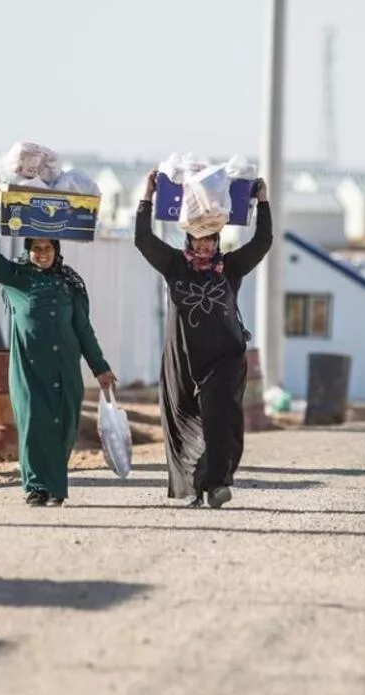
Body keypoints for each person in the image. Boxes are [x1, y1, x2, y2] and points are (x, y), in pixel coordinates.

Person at [135, 170, 273, 509]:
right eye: (197, 239)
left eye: (209, 238)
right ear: (188, 239)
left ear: (217, 238)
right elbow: (142, 240)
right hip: (183, 360)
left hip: (224, 360)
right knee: (183, 421)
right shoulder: (173, 266)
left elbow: (262, 242)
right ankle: (193, 489)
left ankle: (217, 484)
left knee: (219, 417)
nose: (203, 245)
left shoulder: (231, 267)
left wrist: (264, 201)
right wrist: (146, 196)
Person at [0, 190, 116, 507]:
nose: (42, 253)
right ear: (29, 249)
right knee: (34, 425)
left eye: (47, 247)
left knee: (63, 428)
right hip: (29, 370)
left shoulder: (70, 283)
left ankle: (53, 486)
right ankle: (36, 487)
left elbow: (83, 329)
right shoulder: (15, 278)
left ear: (56, 249)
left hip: (66, 369)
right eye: (36, 248)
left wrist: (100, 367)